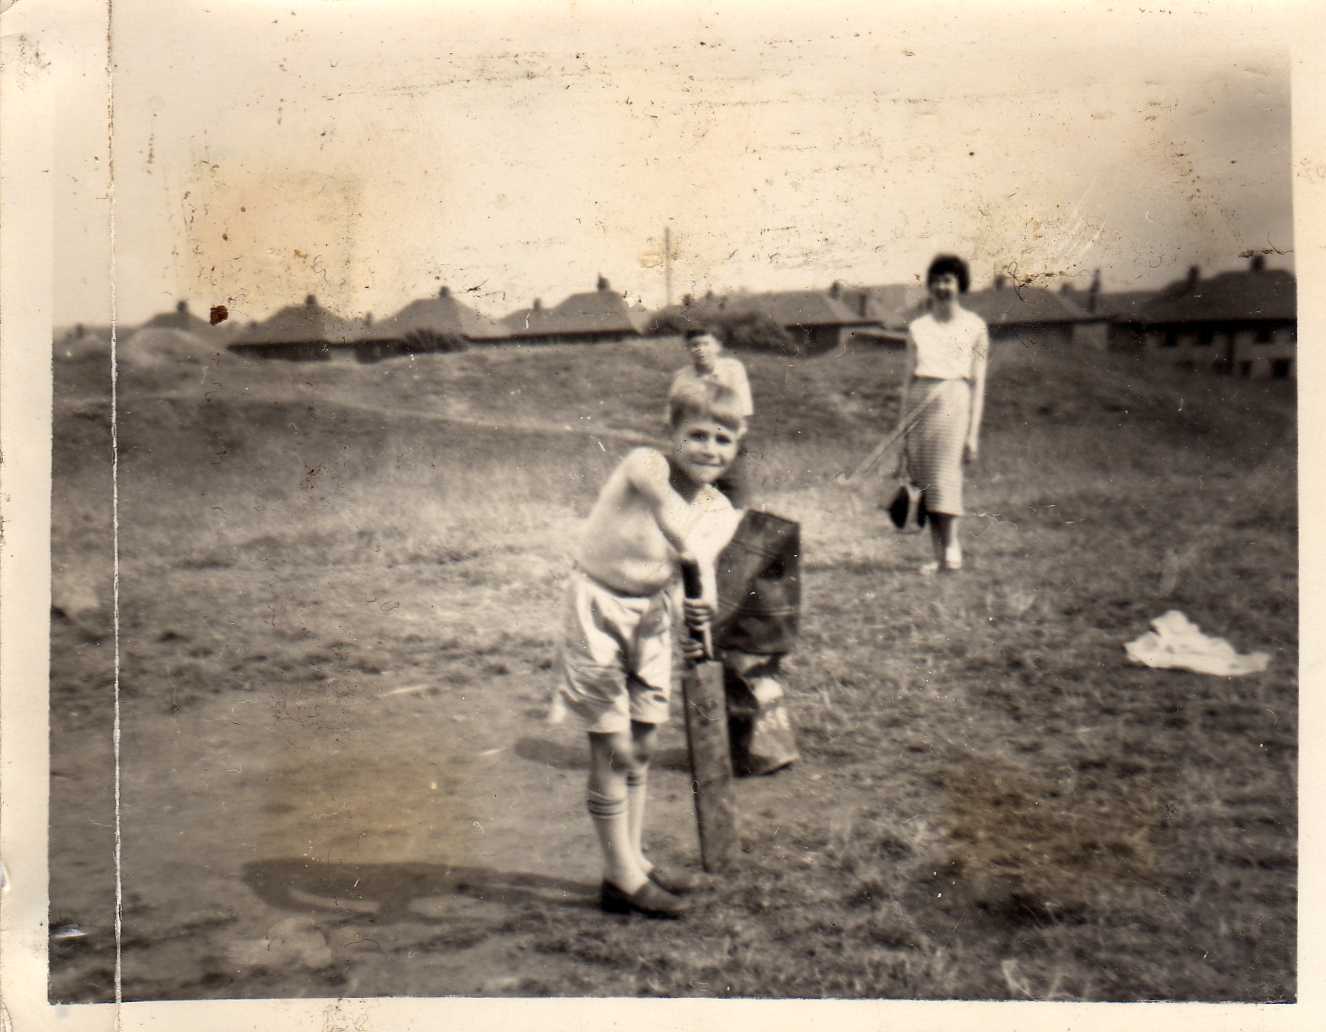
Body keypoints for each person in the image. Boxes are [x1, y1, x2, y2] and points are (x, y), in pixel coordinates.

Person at [557, 378, 744, 919]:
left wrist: (702, 607)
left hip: (652, 617)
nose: (709, 449)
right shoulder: (645, 465)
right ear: (672, 430)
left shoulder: (719, 508)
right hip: (597, 610)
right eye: (698, 434)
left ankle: (633, 860)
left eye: (723, 440)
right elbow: (671, 518)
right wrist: (690, 551)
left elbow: (700, 570)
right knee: (612, 745)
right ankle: (619, 877)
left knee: (640, 742)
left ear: (737, 446)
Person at [896, 254, 990, 574]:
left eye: (948, 280)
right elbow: (907, 382)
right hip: (920, 402)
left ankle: (951, 549)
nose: (941, 287)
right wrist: (902, 430)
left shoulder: (975, 326)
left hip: (954, 401)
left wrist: (973, 434)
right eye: (936, 281)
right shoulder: (917, 328)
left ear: (959, 284)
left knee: (945, 478)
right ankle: (940, 556)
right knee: (925, 481)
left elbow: (978, 384)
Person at [668, 326, 754, 507]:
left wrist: (729, 442)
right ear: (688, 349)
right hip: (694, 444)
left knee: (737, 498)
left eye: (706, 344)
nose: (700, 349)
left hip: (728, 440)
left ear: (718, 346)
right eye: (694, 345)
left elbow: (744, 412)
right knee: (686, 500)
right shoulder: (682, 378)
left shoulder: (733, 369)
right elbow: (673, 417)